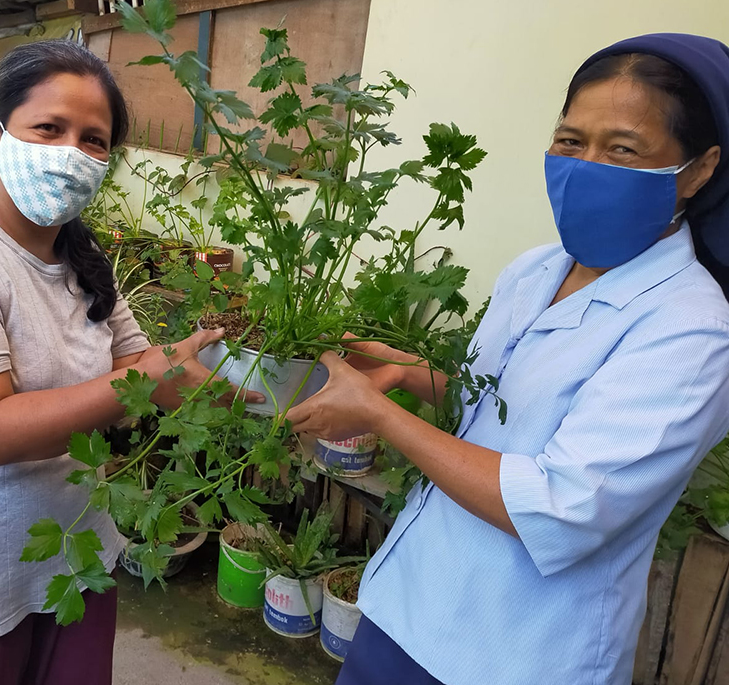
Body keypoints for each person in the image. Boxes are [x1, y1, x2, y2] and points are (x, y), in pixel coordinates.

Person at [286, 33, 729, 685]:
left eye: (622, 149)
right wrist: (408, 373)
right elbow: (499, 408)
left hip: (517, 650)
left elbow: (560, 506)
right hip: (408, 605)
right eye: (570, 141)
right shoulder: (536, 270)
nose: (585, 166)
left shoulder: (693, 330)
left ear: (697, 169)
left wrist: (381, 415)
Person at [0, 40, 246, 685]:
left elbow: (140, 363)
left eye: (93, 140)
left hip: (77, 558)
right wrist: (146, 378)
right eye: (49, 128)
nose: (72, 152)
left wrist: (252, 386)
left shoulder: (81, 256)